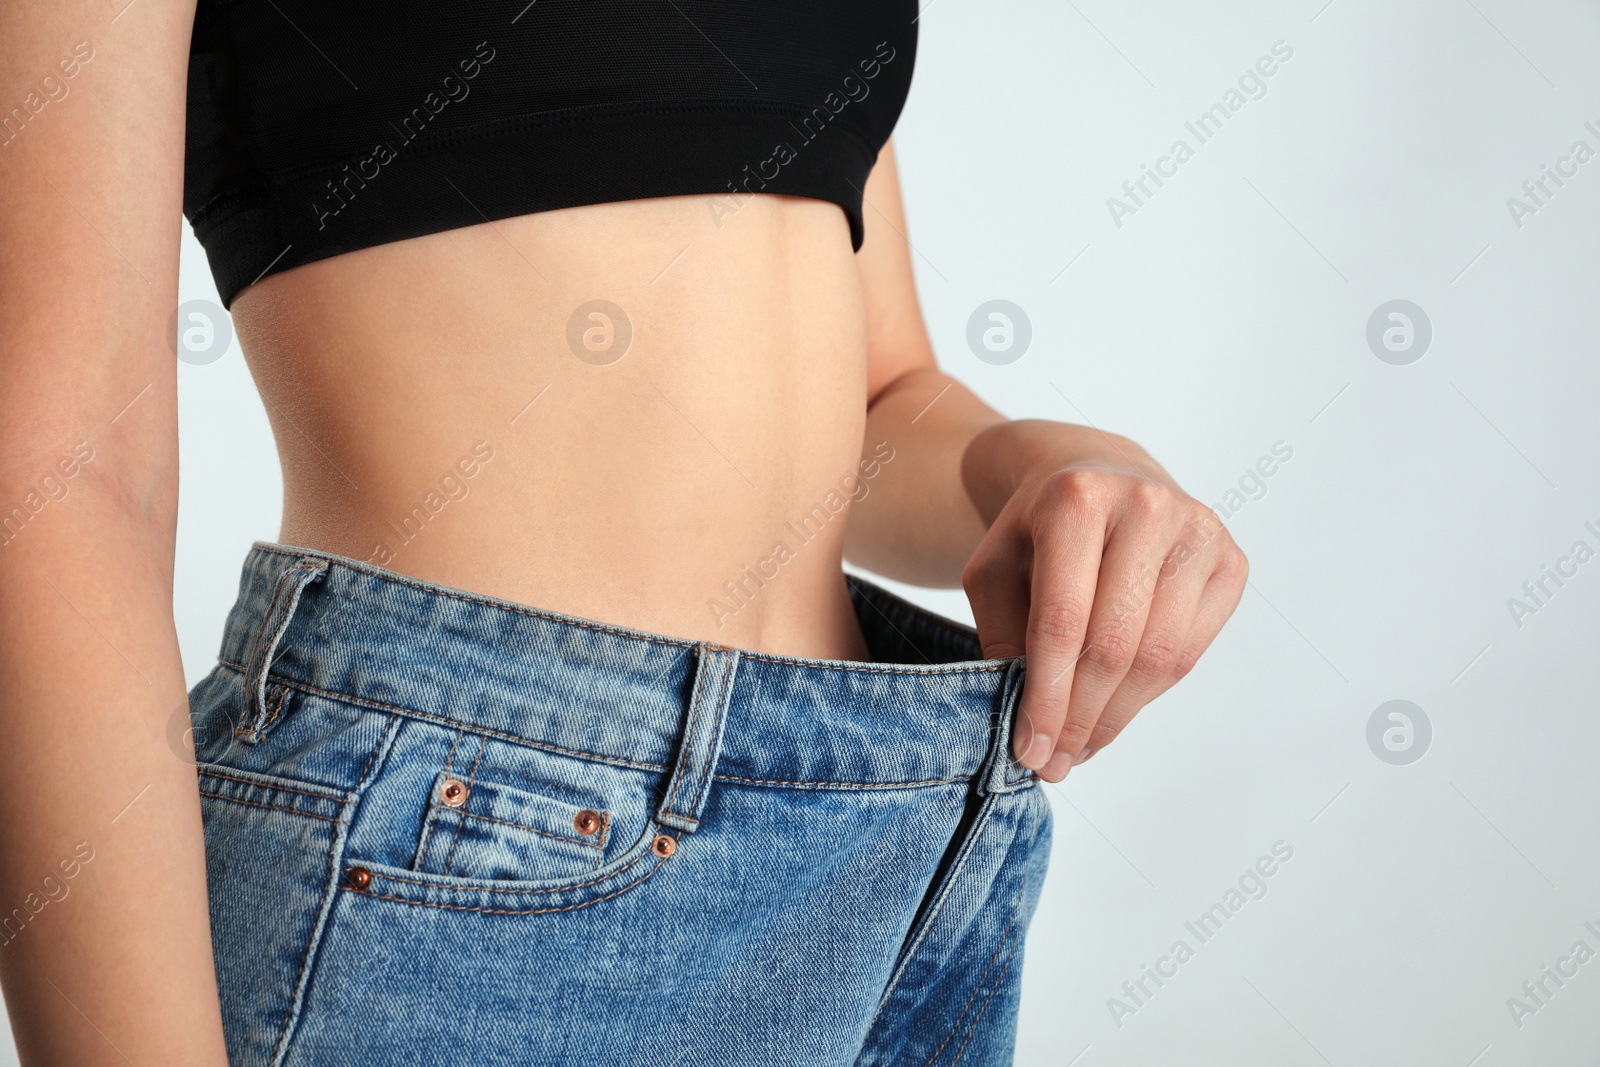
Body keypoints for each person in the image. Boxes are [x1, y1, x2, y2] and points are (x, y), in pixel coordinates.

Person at [0, 1, 1247, 1063]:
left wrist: (1037, 466)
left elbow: (874, 400)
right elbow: (61, 482)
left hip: (897, 835)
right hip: (473, 843)